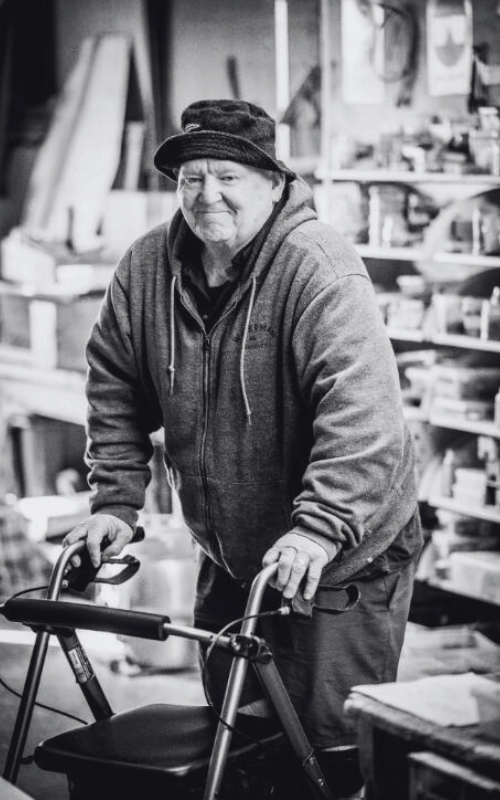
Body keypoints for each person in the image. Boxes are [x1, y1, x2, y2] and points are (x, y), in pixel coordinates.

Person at [64, 99, 422, 796]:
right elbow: (113, 384)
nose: (207, 195)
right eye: (191, 178)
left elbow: (362, 414)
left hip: (341, 557)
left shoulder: (318, 267)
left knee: (331, 751)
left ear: (272, 181)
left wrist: (317, 530)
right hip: (233, 557)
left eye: (226, 175)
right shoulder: (146, 270)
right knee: (240, 739)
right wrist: (115, 500)